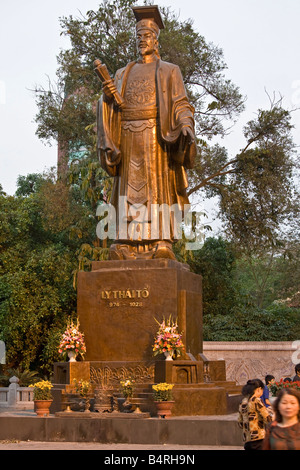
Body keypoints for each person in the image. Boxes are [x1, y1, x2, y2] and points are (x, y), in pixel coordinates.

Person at [96, 5, 197, 260]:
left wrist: (185, 125)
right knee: (126, 190)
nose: (143, 41)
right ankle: (124, 244)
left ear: (156, 39)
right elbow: (107, 105)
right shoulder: (122, 73)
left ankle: (161, 242)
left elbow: (181, 103)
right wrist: (107, 100)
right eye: (139, 37)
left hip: (155, 136)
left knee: (156, 190)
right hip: (128, 136)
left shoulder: (169, 70)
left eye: (147, 36)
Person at [238, 378, 272, 450]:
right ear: (259, 389)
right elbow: (267, 418)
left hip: (247, 440)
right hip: (259, 439)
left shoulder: (243, 401)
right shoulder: (257, 400)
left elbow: (240, 422)